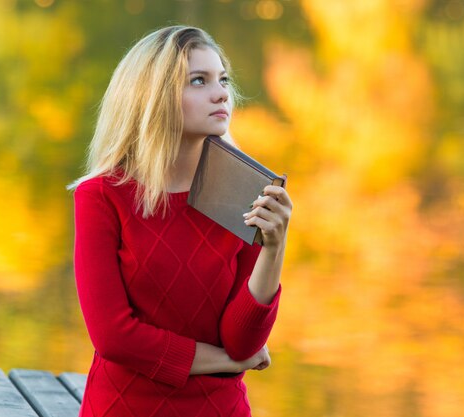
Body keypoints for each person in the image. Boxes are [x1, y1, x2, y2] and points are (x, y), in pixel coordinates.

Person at [70, 26, 292, 417]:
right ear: (152, 96)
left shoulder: (245, 193)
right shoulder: (102, 196)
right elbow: (114, 338)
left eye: (223, 79)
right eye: (198, 81)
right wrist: (227, 363)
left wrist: (274, 247)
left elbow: (242, 342)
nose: (222, 92)